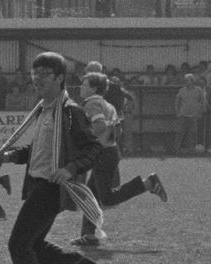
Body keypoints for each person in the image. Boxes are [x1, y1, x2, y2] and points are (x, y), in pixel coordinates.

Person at [0, 53, 107, 264]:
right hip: (37, 184)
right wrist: (12, 156)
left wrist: (70, 169)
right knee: (32, 245)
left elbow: (93, 147)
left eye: (44, 74)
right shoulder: (44, 110)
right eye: (35, 74)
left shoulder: (70, 112)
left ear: (60, 78)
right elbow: (38, 150)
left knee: (18, 244)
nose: (37, 79)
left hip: (51, 187)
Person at [72, 71, 167, 247]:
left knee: (106, 198)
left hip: (103, 154)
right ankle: (89, 235)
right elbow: (117, 130)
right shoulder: (107, 105)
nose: (81, 87)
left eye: (84, 85)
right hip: (108, 151)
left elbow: (99, 126)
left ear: (93, 88)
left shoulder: (91, 104)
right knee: (91, 196)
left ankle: (148, 183)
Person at [173, 73, 208, 153]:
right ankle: (176, 149)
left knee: (192, 133)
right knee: (180, 132)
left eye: (187, 80)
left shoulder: (198, 90)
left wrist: (201, 111)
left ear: (192, 81)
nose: (186, 82)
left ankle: (191, 149)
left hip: (194, 115)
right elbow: (177, 101)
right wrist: (177, 112)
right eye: (185, 81)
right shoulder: (181, 90)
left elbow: (203, 101)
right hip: (183, 114)